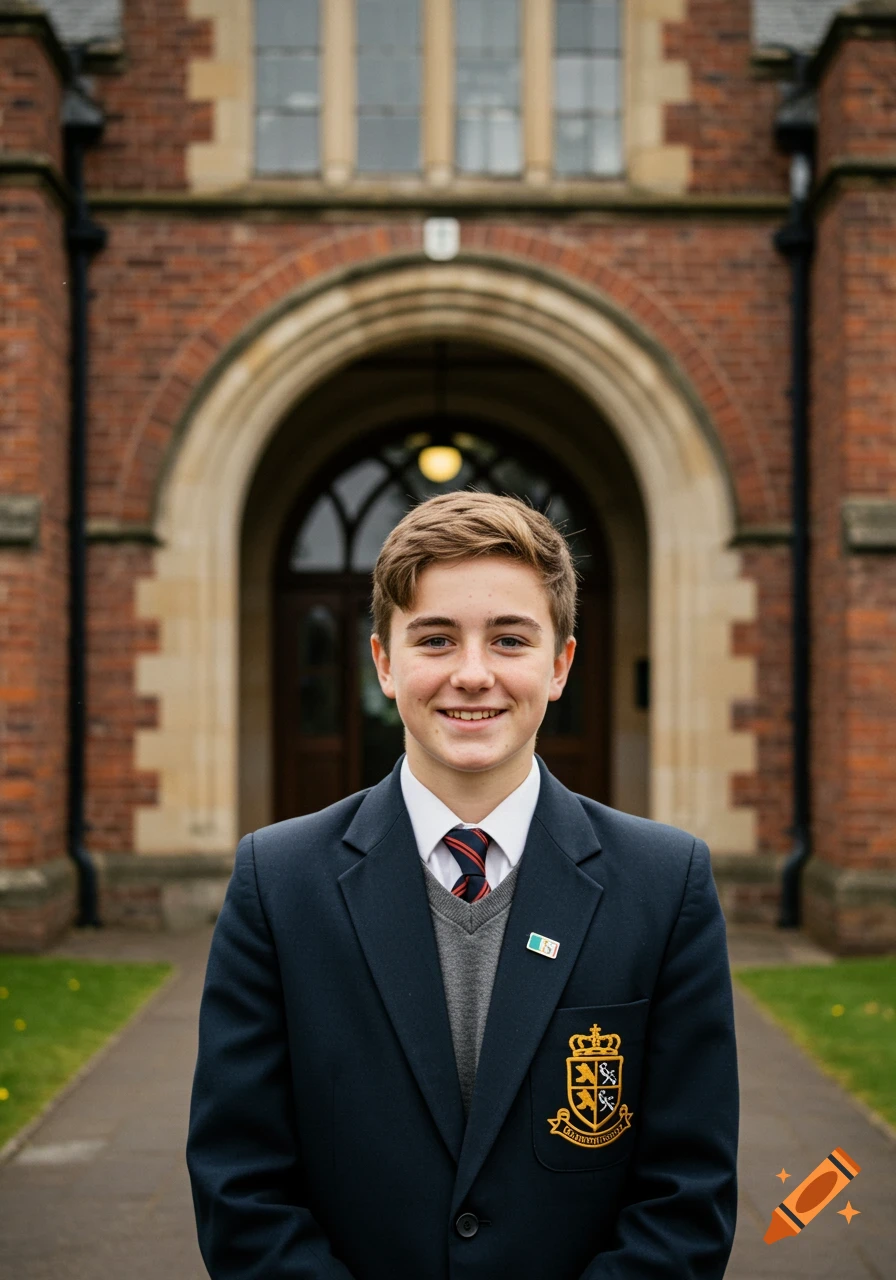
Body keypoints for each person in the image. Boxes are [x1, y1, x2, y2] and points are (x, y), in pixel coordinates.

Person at [187, 490, 738, 1279]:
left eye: (510, 640)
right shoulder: (278, 883)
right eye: (436, 639)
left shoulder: (665, 884)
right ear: (384, 662)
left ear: (559, 666)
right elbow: (240, 1185)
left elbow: (688, 1194)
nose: (472, 675)